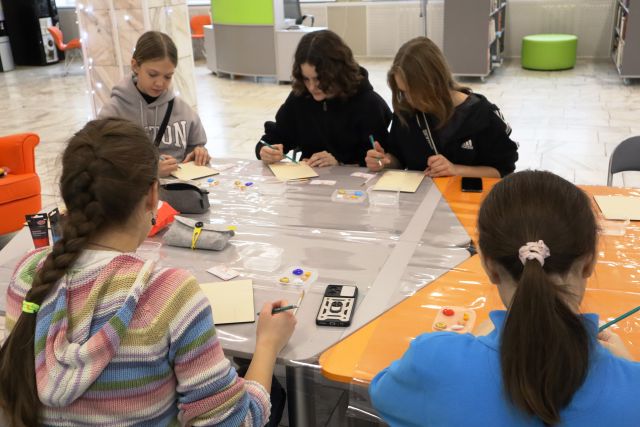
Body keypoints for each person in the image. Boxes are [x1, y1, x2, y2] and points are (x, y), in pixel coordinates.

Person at [0, 119, 296, 426]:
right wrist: (267, 344)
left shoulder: (28, 272)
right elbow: (234, 422)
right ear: (153, 195)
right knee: (271, 392)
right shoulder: (169, 294)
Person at [369, 170, 640, 426]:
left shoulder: (431, 361)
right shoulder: (633, 392)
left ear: (489, 266)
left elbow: (382, 394)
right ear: (589, 263)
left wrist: (472, 342)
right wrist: (629, 370)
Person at [365, 37, 518, 178]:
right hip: (419, 197)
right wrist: (383, 161)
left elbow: (503, 171)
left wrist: (456, 170)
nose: (409, 100)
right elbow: (398, 158)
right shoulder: (407, 113)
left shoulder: (483, 115)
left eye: (414, 92)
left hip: (466, 198)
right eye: (404, 92)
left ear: (435, 82)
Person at [256, 29, 391, 167]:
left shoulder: (369, 104)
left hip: (352, 180)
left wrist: (340, 163)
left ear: (337, 72)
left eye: (319, 79)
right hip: (308, 177)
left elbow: (380, 160)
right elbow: (276, 136)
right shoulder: (300, 97)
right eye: (306, 79)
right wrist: (265, 150)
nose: (312, 87)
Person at [99, 31, 210, 177]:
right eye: (152, 74)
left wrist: (198, 153)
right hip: (135, 190)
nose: (160, 83)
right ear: (135, 66)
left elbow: (195, 146)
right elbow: (102, 164)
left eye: (167, 77)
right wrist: (149, 172)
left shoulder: (183, 110)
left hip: (181, 189)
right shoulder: (113, 112)